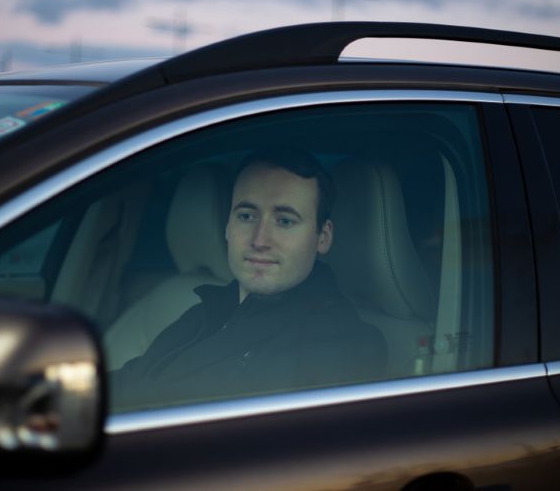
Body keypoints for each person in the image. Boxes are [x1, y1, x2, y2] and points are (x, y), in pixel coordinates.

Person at [111, 148, 386, 409]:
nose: (259, 240)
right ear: (228, 227)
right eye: (246, 216)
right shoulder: (206, 311)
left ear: (323, 237)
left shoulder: (344, 344)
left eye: (285, 221)